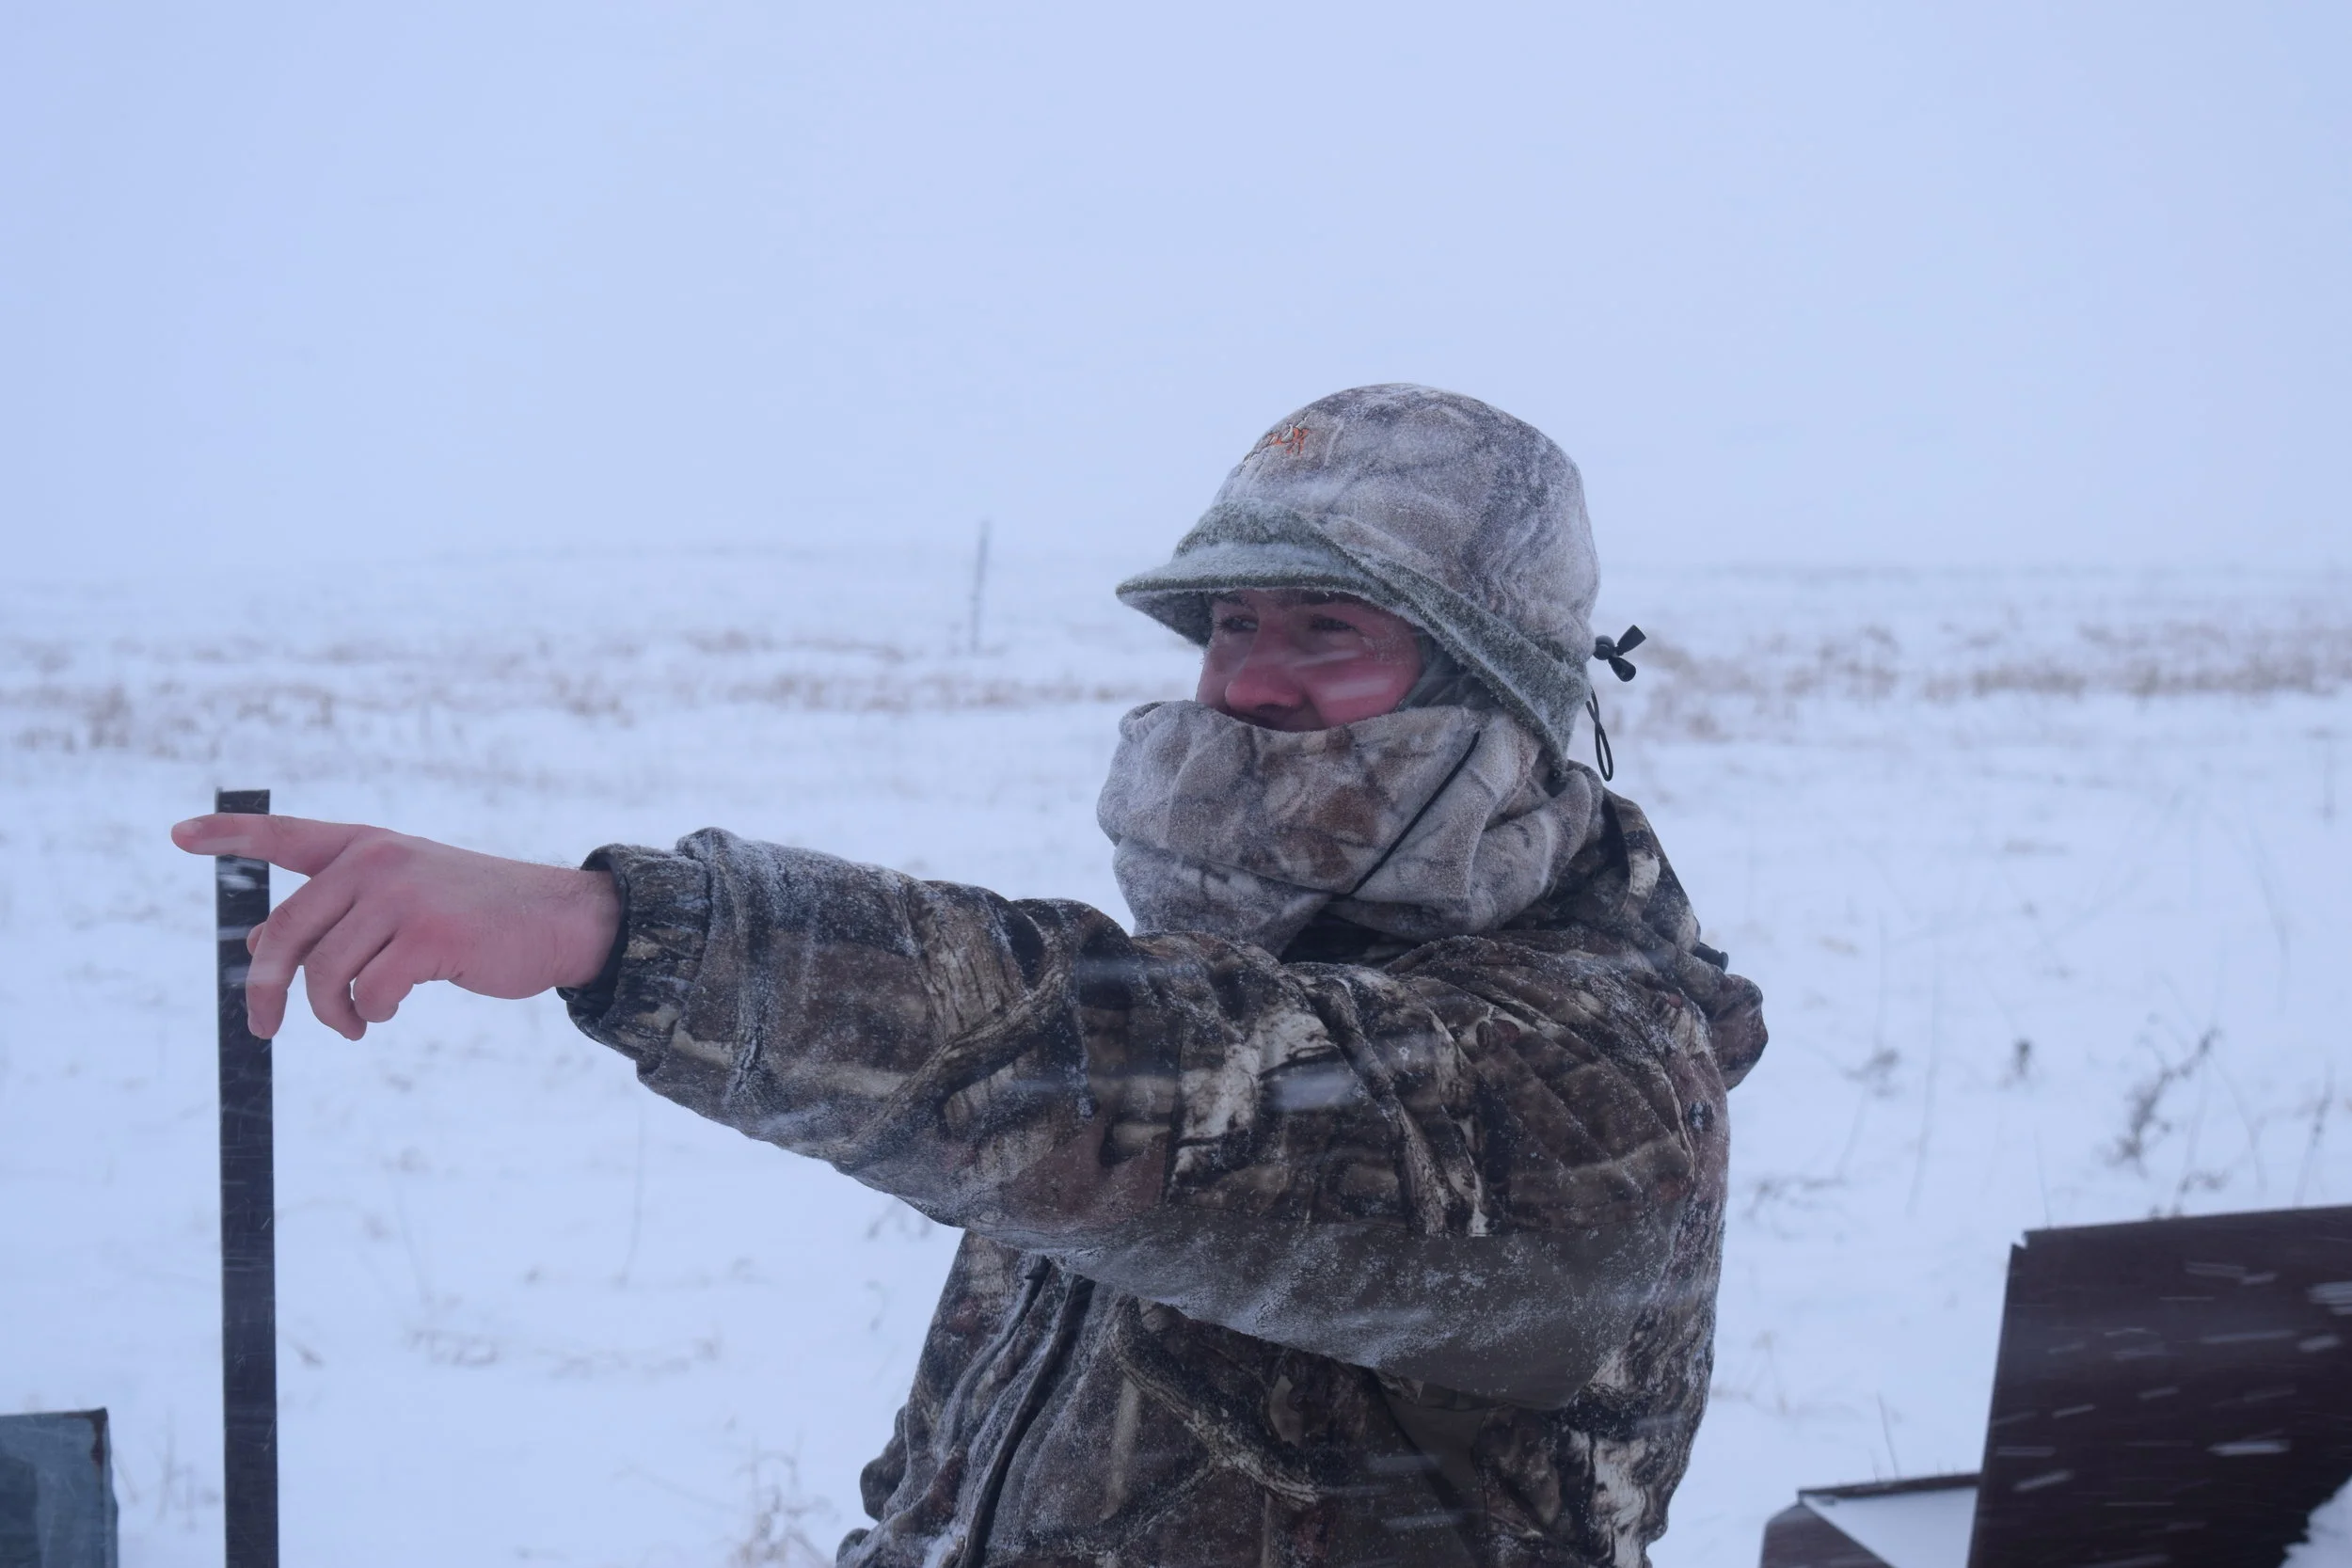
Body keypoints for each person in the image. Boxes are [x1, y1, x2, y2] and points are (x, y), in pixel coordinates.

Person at [173, 384, 1766, 1567]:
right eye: (1231, 622)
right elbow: (951, 1466)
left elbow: (1142, 1080)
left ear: (1494, 688)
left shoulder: (1602, 1077)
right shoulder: (1227, 979)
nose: (1248, 682)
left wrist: (623, 929)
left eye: (1328, 629)